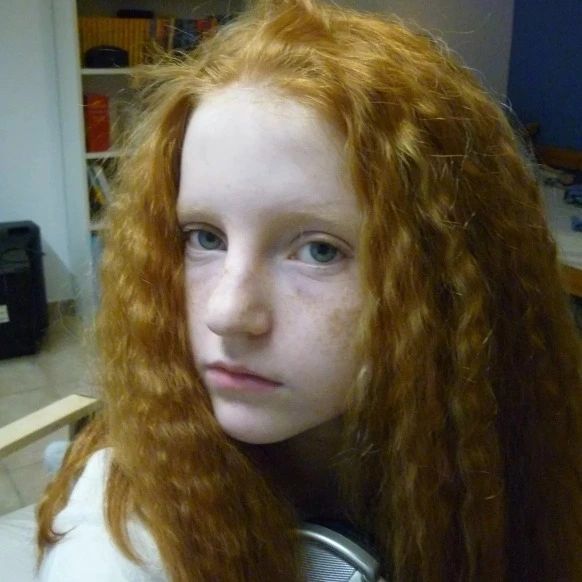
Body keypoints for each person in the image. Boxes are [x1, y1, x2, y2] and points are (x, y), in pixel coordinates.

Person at [36, 0, 582, 580]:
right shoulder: (117, 550)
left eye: (319, 250)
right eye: (204, 237)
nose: (227, 312)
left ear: (444, 280)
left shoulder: (512, 460)